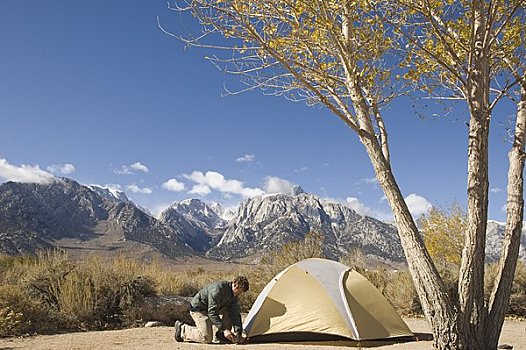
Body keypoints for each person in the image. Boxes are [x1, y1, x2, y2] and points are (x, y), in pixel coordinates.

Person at [174, 275, 249, 344]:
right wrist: (224, 329)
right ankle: (182, 329)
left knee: (230, 311)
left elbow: (235, 313)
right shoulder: (218, 290)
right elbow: (212, 313)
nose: (239, 294)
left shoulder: (234, 294)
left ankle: (221, 335)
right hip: (199, 309)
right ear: (235, 285)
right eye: (239, 291)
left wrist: (238, 334)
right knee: (207, 338)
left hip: (213, 309)